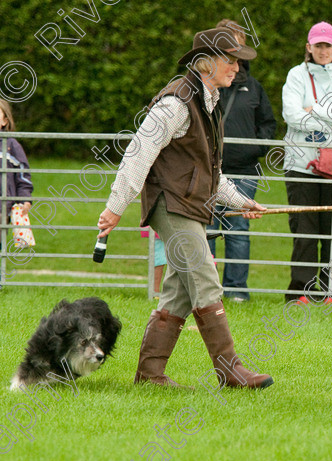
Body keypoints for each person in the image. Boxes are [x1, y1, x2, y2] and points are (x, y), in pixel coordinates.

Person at [96, 28, 273, 389]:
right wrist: (115, 207)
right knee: (206, 279)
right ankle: (230, 371)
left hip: (187, 204)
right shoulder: (176, 102)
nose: (237, 68)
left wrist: (243, 203)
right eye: (231, 59)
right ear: (206, 63)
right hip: (171, 205)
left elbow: (211, 174)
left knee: (178, 290)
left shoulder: (207, 101)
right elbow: (137, 155)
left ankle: (149, 375)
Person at [282, 21, 332, 303]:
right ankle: (302, 291)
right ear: (309, 47)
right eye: (318, 45)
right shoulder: (296, 75)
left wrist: (314, 110)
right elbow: (292, 114)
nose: (323, 50)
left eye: (328, 45)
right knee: (304, 228)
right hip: (300, 164)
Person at [207, 18, 277, 303]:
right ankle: (207, 291)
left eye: (238, 44)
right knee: (207, 229)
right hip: (210, 170)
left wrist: (254, 148)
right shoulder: (206, 84)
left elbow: (268, 124)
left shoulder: (255, 87)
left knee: (238, 230)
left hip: (244, 170)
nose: (234, 53)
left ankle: (236, 291)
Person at [0, 99, 33, 233]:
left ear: (5, 121)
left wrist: (24, 198)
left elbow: (23, 175)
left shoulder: (11, 146)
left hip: (2, 209)